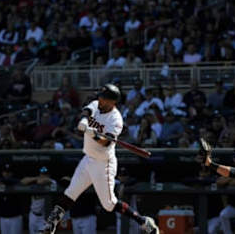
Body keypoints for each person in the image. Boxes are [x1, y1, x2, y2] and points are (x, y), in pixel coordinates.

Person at [39, 84, 158, 234]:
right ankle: (51, 225)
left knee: (109, 204)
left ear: (112, 101)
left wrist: (91, 132)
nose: (99, 99)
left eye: (103, 97)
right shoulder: (96, 104)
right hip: (88, 159)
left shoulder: (116, 119)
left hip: (104, 163)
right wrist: (83, 121)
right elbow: (86, 111)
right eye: (100, 96)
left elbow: (106, 142)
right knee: (71, 192)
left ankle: (143, 221)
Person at [21, 167, 57, 234]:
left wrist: (44, 179)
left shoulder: (51, 183)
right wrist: (36, 178)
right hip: (33, 215)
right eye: (42, 174)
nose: (43, 176)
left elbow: (52, 182)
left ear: (48, 175)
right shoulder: (34, 182)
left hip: (44, 216)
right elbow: (23, 181)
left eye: (45, 174)